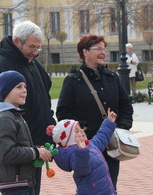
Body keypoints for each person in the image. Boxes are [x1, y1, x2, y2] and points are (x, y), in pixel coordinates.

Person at [0, 21, 56, 195]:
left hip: (36, 145)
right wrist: (22, 146)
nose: (35, 52)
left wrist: (50, 127)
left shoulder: (32, 63)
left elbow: (44, 98)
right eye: (32, 47)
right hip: (18, 151)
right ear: (17, 41)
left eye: (38, 48)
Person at [56, 34, 133, 193]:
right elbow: (63, 112)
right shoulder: (73, 80)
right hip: (88, 149)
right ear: (85, 52)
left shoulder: (112, 77)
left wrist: (123, 126)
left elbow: (125, 105)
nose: (103, 52)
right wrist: (80, 130)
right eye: (98, 49)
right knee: (91, 188)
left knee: (111, 185)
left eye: (104, 49)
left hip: (111, 146)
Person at [0, 70, 53, 195]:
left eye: (25, 87)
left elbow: (19, 146)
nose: (24, 90)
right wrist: (35, 152)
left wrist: (37, 150)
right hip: (15, 184)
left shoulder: (15, 115)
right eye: (18, 87)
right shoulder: (4, 118)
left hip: (22, 181)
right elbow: (6, 153)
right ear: (6, 91)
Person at [47, 108, 117, 195]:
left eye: (80, 128)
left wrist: (109, 122)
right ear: (70, 139)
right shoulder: (74, 154)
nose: (82, 131)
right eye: (77, 131)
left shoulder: (90, 145)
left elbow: (102, 137)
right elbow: (82, 169)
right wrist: (82, 151)